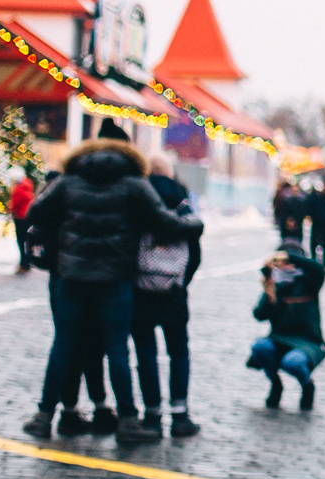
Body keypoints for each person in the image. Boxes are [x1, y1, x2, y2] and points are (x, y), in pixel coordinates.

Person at [21, 140, 204, 443]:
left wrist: (66, 233)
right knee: (118, 349)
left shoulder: (67, 182)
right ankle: (129, 423)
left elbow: (35, 212)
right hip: (114, 279)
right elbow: (164, 221)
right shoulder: (133, 184)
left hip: (71, 277)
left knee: (63, 345)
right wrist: (193, 225)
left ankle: (44, 417)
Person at [130, 157, 204, 438]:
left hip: (142, 289)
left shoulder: (139, 200)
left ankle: (152, 415)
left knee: (146, 353)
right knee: (178, 352)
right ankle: (180, 414)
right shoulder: (183, 203)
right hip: (174, 292)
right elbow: (194, 254)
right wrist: (182, 281)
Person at [250, 243, 325, 410]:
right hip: (278, 339)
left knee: (292, 362)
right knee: (259, 347)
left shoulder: (309, 283)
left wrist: (289, 256)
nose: (285, 266)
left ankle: (307, 386)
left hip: (308, 342)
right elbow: (259, 315)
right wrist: (269, 294)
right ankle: (276, 384)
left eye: (287, 262)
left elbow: (318, 269)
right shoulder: (276, 284)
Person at [10, 167, 39, 273]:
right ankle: (27, 260)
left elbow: (14, 204)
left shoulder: (18, 189)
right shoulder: (28, 185)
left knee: (21, 240)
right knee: (27, 240)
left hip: (20, 217)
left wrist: (10, 210)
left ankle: (24, 262)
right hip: (27, 217)